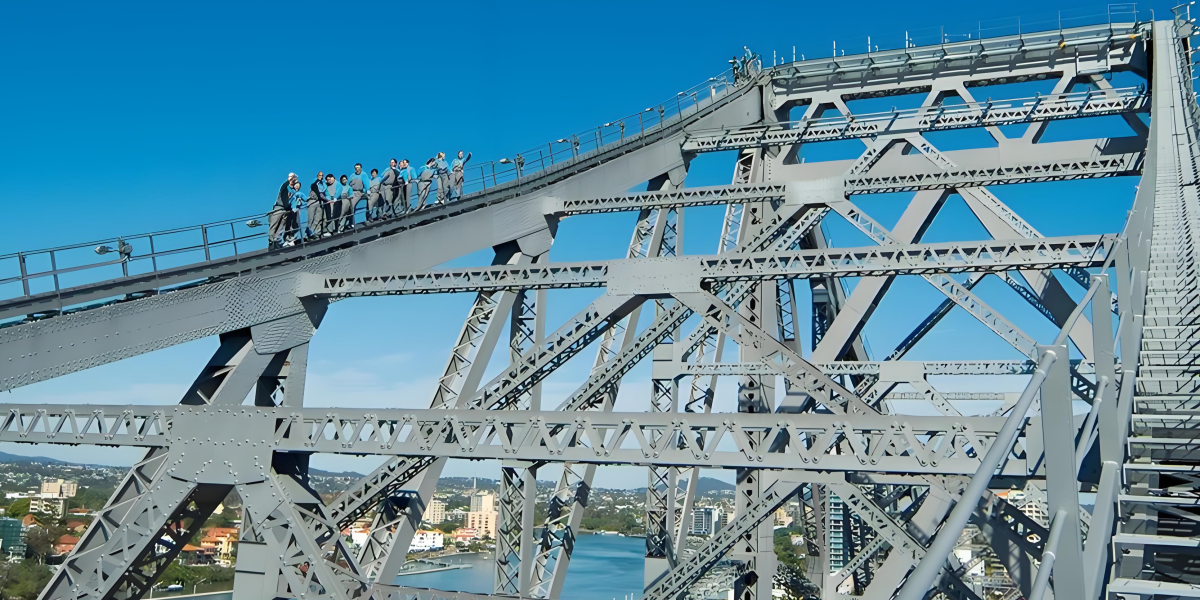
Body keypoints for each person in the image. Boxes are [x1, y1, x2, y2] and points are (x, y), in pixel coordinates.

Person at [270, 173, 299, 248]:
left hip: (286, 210)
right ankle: (272, 243)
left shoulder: (293, 190)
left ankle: (279, 241)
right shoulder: (285, 186)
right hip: (279, 208)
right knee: (275, 226)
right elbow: (285, 198)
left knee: (282, 226)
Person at [307, 172, 328, 238]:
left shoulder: (323, 183)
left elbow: (325, 191)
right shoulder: (315, 181)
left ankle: (316, 233)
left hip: (320, 202)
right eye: (319, 175)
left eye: (322, 175)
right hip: (313, 201)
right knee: (311, 218)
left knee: (318, 218)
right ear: (317, 175)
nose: (320, 177)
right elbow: (313, 186)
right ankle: (309, 234)